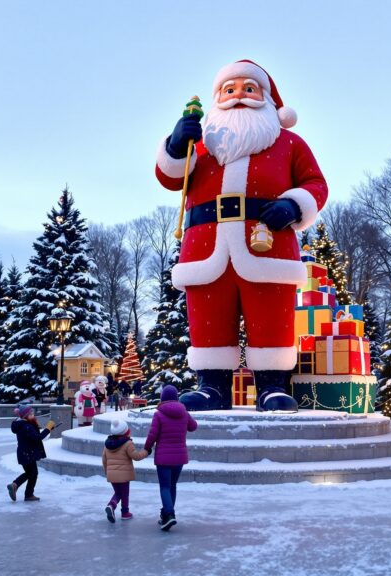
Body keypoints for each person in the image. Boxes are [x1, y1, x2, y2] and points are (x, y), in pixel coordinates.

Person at [154, 60, 328, 412]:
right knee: (207, 316)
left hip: (267, 244)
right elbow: (171, 179)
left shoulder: (289, 143)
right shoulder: (199, 147)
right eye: (229, 90)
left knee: (271, 316)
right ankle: (211, 387)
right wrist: (175, 145)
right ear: (217, 98)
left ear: (266, 99)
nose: (238, 96)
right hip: (205, 247)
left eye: (248, 89)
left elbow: (316, 184)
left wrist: (295, 206)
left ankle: (272, 386)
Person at [143, 385, 197, 531]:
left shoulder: (159, 414)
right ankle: (167, 515)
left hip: (163, 457)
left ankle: (169, 514)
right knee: (172, 486)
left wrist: (147, 448)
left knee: (165, 487)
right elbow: (193, 427)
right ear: (176, 397)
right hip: (179, 457)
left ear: (162, 398)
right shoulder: (184, 412)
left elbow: (152, 435)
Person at [101, 419, 148, 523]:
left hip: (112, 474)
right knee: (124, 494)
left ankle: (117, 508)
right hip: (124, 475)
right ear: (126, 432)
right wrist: (146, 451)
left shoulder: (107, 444)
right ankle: (120, 510)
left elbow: (104, 459)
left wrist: (107, 472)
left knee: (118, 492)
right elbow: (136, 456)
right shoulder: (128, 444)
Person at [7, 404, 56, 502]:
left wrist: (48, 429)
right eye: (31, 414)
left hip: (25, 453)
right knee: (32, 473)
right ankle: (22, 490)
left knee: (31, 473)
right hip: (27, 454)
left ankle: (19, 488)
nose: (33, 415)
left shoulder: (24, 425)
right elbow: (37, 438)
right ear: (25, 416)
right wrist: (47, 429)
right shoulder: (26, 426)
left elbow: (34, 435)